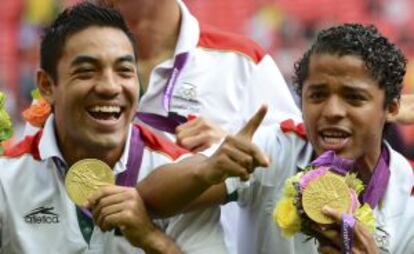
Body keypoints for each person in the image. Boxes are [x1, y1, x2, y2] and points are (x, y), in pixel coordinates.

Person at [92, 24, 414, 253]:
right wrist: (209, 169)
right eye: (316, 95)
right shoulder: (276, 148)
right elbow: (147, 199)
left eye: (353, 98)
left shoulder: (408, 200)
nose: (331, 111)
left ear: (392, 107)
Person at [0, 2, 212, 253]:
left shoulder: (184, 177)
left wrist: (150, 238)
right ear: (47, 86)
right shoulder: (6, 179)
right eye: (87, 71)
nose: (110, 87)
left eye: (124, 71)